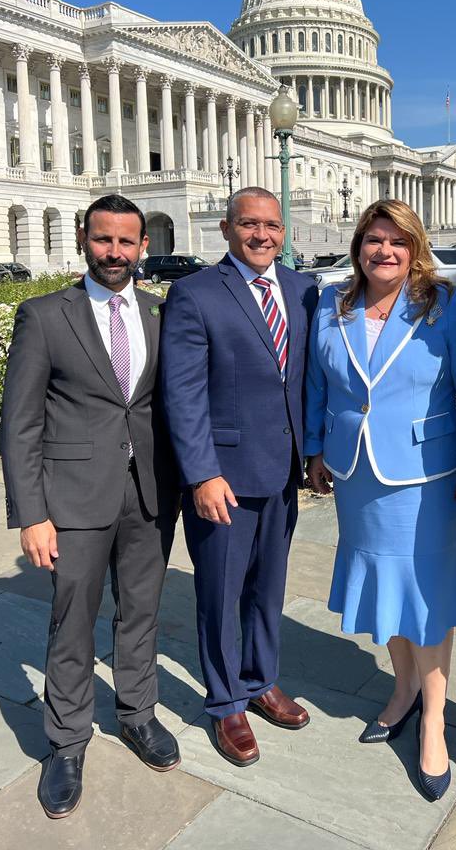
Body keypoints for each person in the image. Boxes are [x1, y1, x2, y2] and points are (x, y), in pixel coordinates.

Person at [0, 194, 180, 820]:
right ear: (85, 238)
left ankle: (137, 713)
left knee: (141, 612)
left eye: (126, 242)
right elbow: (19, 423)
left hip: (151, 491)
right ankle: (66, 742)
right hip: (72, 498)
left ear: (143, 247)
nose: (115, 252)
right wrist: (31, 513)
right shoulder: (46, 315)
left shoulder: (161, 314)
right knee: (72, 620)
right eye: (104, 240)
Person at [305, 199, 456, 802]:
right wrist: (313, 448)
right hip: (356, 471)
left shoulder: (446, 305)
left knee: (427, 600)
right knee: (387, 589)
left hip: (428, 475)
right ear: (358, 247)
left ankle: (434, 718)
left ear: (415, 249)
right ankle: (403, 687)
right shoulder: (332, 304)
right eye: (374, 240)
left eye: (397, 241)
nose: (384, 251)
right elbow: (317, 381)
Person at [160, 187, 319, 767]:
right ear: (226, 229)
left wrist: (315, 452)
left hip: (282, 470)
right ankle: (225, 700)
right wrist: (201, 473)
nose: (262, 236)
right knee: (220, 593)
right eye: (249, 225)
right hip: (222, 476)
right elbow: (182, 392)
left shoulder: (304, 291)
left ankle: (262, 679)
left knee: (268, 588)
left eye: (272, 225)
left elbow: (306, 381)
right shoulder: (195, 293)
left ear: (284, 230)